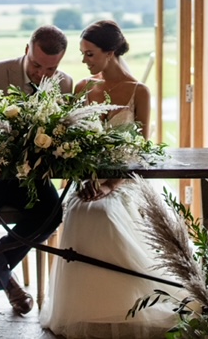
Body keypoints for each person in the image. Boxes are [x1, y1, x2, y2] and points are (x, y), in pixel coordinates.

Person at [39, 20, 184, 338]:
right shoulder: (82, 88)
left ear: (111, 51)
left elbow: (141, 152)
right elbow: (71, 143)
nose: (84, 60)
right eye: (83, 53)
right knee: (80, 210)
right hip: (88, 180)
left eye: (89, 54)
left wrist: (110, 185)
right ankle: (87, 310)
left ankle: (127, 308)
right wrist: (87, 179)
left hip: (126, 181)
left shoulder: (139, 92)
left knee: (105, 214)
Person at [0, 25, 73, 315]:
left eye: (51, 68)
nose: (42, 74)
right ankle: (10, 285)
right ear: (26, 50)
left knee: (51, 212)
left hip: (28, 176)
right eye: (36, 65)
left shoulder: (64, 83)